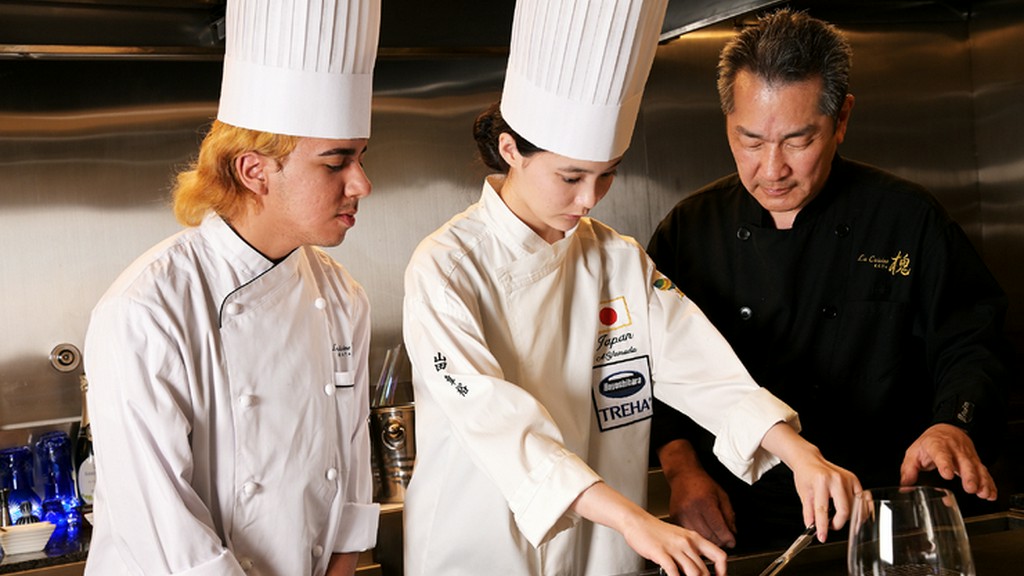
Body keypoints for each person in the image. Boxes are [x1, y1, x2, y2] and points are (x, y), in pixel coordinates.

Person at [401, 2, 860, 575]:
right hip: (481, 552)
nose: (590, 199)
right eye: (571, 177)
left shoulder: (616, 258)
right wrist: (635, 520)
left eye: (608, 173)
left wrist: (801, 455)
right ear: (512, 151)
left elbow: (701, 368)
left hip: (602, 553)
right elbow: (501, 426)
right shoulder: (446, 268)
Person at [647, 8, 1012, 554]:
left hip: (891, 508)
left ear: (841, 120)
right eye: (750, 140)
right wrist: (681, 471)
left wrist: (952, 426)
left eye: (798, 141)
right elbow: (648, 369)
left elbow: (973, 341)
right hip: (742, 520)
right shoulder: (688, 231)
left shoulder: (906, 219)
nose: (772, 169)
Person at [82, 1, 381, 574]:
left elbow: (349, 479)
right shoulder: (145, 310)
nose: (362, 184)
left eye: (361, 157)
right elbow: (164, 531)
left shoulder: (343, 298)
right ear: (254, 171)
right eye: (335, 162)